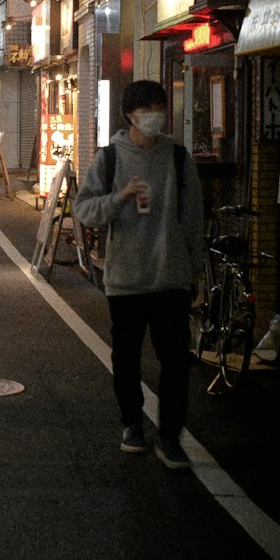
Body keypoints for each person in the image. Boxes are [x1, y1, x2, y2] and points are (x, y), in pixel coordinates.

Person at [73, 79, 205, 469]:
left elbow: (194, 220)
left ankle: (170, 436)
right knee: (126, 358)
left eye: (160, 107)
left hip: (170, 278)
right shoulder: (110, 157)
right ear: (130, 114)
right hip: (126, 279)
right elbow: (85, 210)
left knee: (176, 360)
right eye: (148, 109)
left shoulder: (178, 158)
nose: (156, 116)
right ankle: (132, 423)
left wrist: (194, 273)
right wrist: (120, 196)